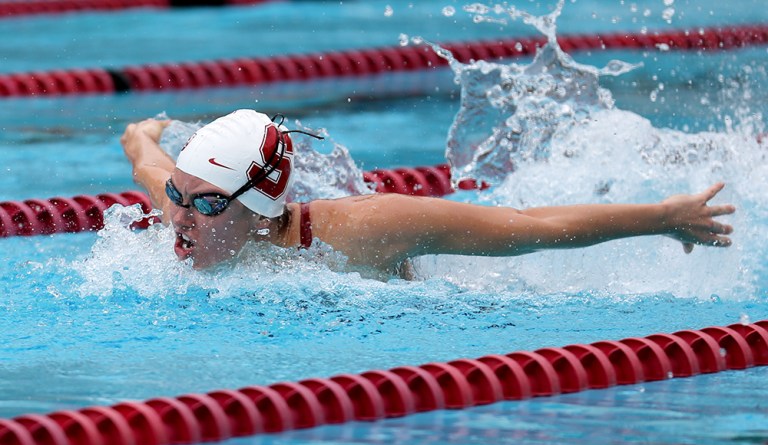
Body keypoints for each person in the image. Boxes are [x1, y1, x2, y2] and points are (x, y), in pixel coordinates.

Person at [121, 109, 735, 275]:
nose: (178, 216)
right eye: (177, 194)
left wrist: (662, 215)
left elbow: (530, 226)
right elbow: (144, 153)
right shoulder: (189, 201)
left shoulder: (366, 229)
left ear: (258, 209)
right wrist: (146, 130)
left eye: (204, 205)